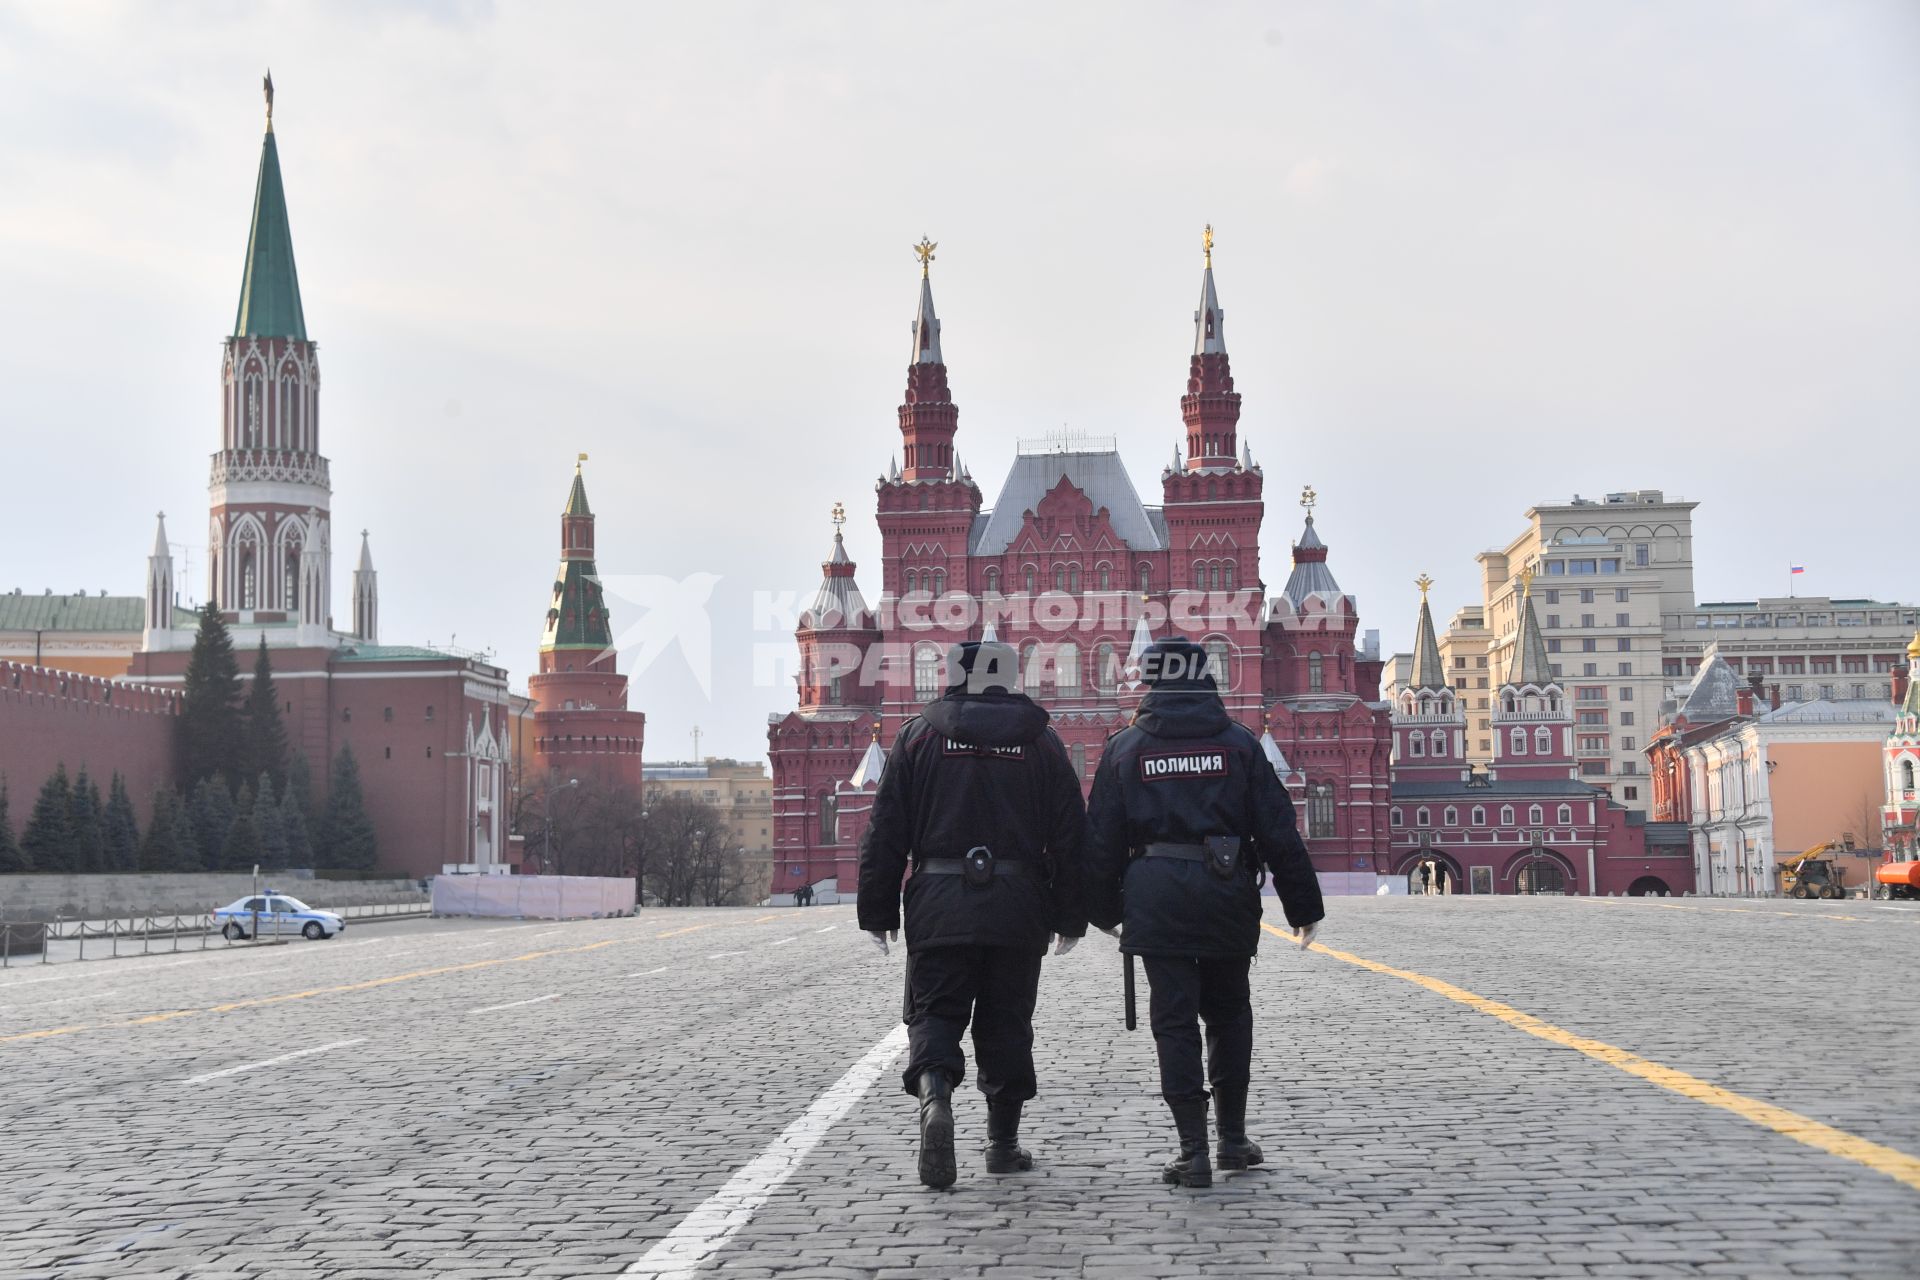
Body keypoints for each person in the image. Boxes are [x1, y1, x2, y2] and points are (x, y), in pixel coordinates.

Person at [1086, 638, 1324, 1188]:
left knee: (1173, 1023)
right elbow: (1277, 827)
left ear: (1151, 682)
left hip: (1155, 898)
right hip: (1225, 893)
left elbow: (1100, 838)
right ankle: (1233, 1140)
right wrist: (1303, 905)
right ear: (1206, 679)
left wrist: (1100, 910)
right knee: (1228, 1015)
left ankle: (1191, 1151)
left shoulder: (1125, 748)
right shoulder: (1239, 745)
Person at [859, 640, 1088, 1190]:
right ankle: (1002, 1146)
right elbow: (1072, 834)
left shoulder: (919, 737)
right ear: (1009, 678)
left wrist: (877, 909)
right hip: (1017, 906)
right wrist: (1072, 914)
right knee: (1007, 1021)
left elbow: (885, 829)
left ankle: (936, 1098)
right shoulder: (1041, 741)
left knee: (935, 1012)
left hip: (938, 904)